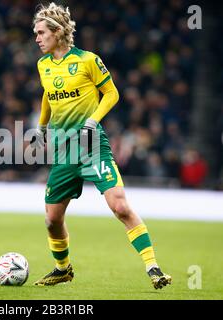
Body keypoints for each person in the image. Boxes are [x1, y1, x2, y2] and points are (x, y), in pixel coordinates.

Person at [30, 2, 171, 289]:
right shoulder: (43, 65)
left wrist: (92, 121)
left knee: (119, 206)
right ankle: (63, 269)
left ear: (57, 32)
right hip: (64, 150)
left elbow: (111, 93)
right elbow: (48, 94)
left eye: (41, 32)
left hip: (92, 145)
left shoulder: (87, 60)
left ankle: (153, 267)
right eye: (36, 33)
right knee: (51, 220)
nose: (37, 38)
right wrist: (41, 127)